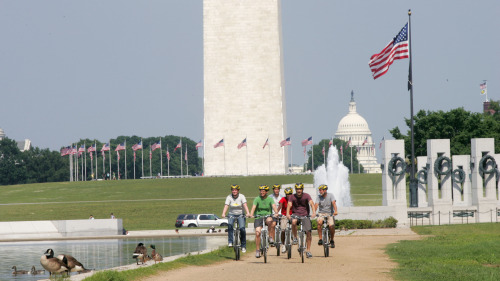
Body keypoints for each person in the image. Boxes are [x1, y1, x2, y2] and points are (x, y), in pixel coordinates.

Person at [286, 183, 316, 259]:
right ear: (295, 190)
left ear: (302, 189)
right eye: (297, 189)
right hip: (296, 214)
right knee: (293, 222)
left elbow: (311, 203)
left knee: (308, 232)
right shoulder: (292, 196)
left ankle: (308, 251)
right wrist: (287, 214)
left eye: (300, 189)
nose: (299, 191)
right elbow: (289, 205)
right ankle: (295, 237)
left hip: (305, 215)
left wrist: (314, 212)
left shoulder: (306, 195)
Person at [249, 185, 279, 258]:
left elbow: (274, 206)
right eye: (260, 191)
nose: (261, 192)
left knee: (270, 221)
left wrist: (276, 212)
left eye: (263, 191)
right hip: (258, 217)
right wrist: (251, 214)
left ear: (266, 192)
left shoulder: (270, 199)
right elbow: (253, 207)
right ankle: (257, 250)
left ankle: (270, 236)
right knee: (257, 233)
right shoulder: (257, 199)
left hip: (267, 216)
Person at [221, 184, 250, 253]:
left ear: (238, 190)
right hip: (232, 214)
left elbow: (245, 205)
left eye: (235, 190)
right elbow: (226, 205)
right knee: (230, 225)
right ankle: (230, 241)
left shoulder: (242, 196)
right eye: (233, 190)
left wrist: (248, 213)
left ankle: (243, 246)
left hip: (240, 214)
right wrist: (223, 213)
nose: (234, 191)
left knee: (242, 229)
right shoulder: (229, 197)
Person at [278, 186, 294, 253]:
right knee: (283, 230)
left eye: (290, 194)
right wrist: (276, 213)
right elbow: (279, 207)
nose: (288, 195)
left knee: (294, 225)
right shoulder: (283, 199)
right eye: (287, 194)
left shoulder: (294, 199)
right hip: (284, 216)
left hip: (292, 215)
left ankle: (294, 237)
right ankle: (283, 244)